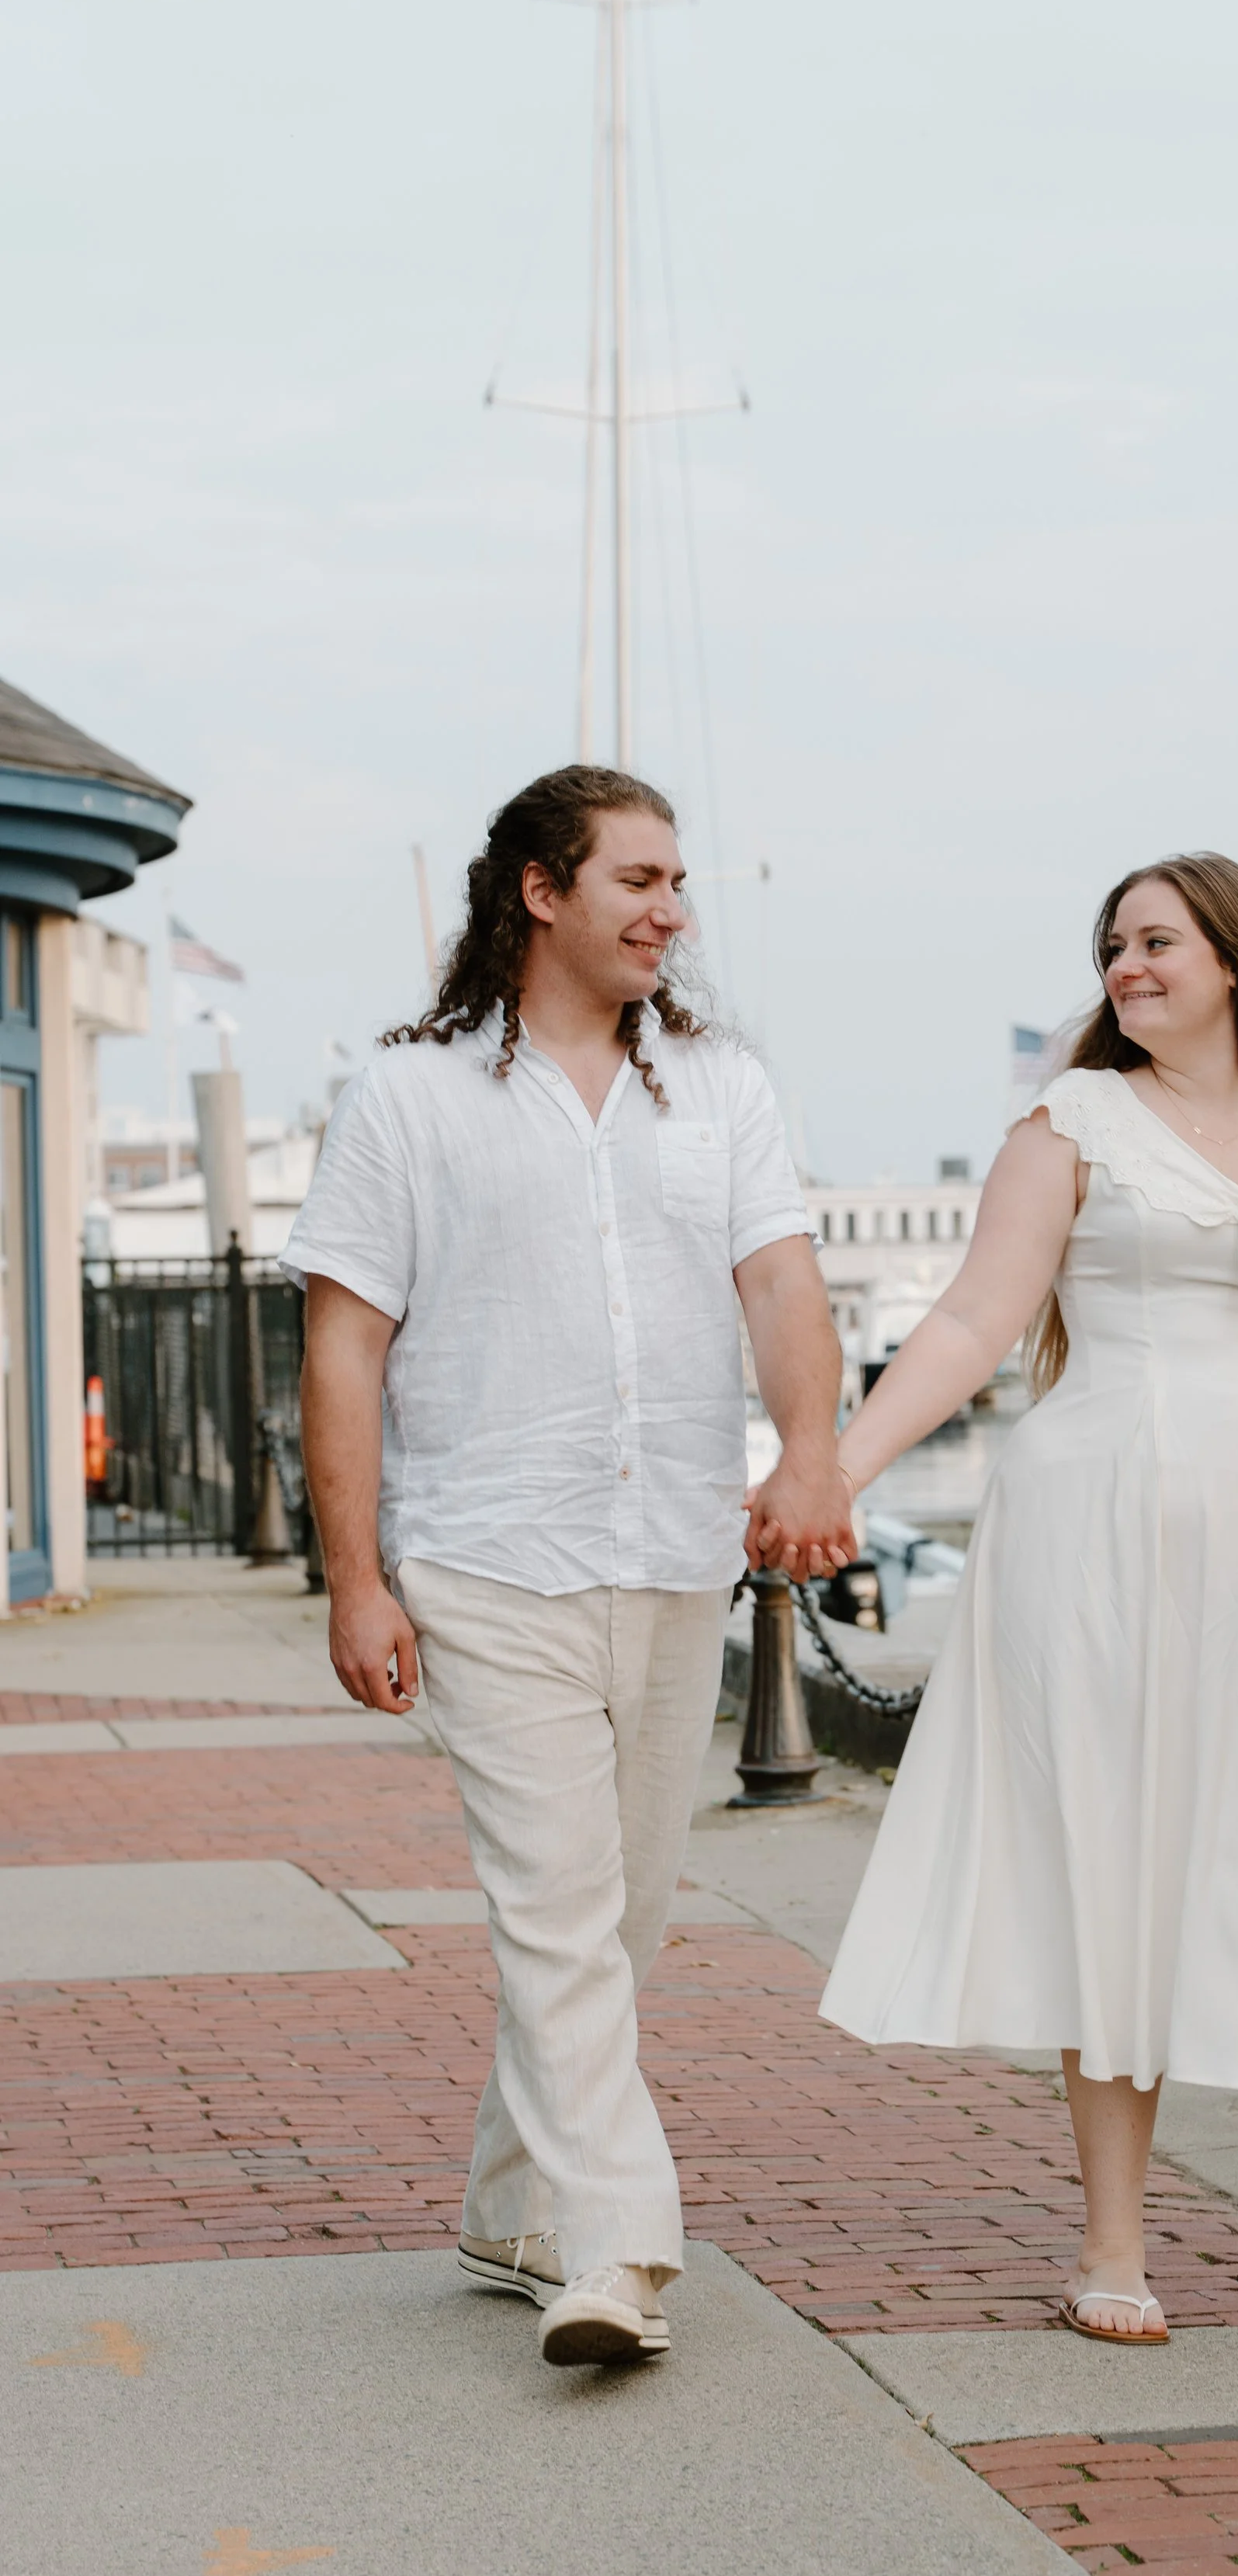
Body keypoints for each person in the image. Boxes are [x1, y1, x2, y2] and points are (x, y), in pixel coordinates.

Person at [794, 853, 1238, 2359]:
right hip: (1088, 1533)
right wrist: (836, 1470)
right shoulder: (1068, 1126)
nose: (1124, 965)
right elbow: (978, 1320)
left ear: (1233, 958)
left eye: (1154, 940)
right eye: (1110, 944)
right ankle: (1111, 2248)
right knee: (1106, 1872)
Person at [288, 765, 853, 2369]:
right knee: (553, 1914)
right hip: (487, 1553)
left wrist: (806, 1448)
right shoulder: (406, 1097)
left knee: (617, 1927)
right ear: (541, 891)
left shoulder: (722, 1088)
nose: (669, 910)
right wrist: (357, 1575)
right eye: (638, 880)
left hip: (675, 1550)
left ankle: (502, 2208)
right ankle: (617, 2252)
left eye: (678, 884)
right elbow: (345, 1344)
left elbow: (782, 1286)